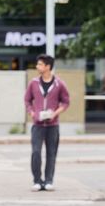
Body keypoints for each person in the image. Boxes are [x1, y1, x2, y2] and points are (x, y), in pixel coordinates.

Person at [24, 54, 70, 191]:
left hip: (52, 125)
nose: (37, 67)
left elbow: (66, 102)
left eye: (40, 64)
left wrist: (55, 113)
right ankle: (37, 181)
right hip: (37, 125)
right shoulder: (33, 83)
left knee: (51, 153)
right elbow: (27, 100)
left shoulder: (59, 84)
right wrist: (32, 113)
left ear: (48, 66)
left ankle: (49, 180)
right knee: (36, 152)